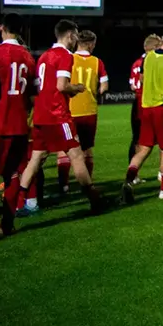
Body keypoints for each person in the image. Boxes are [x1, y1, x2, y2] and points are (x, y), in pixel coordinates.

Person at [15, 20, 104, 217]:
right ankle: (94, 199)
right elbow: (61, 85)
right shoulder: (65, 55)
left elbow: (41, 87)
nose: (76, 39)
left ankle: (18, 203)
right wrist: (77, 88)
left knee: (36, 158)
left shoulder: (44, 56)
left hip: (41, 115)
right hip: (58, 115)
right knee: (77, 156)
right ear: (70, 35)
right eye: (76, 35)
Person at [0, 13, 36, 240]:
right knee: (12, 173)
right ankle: (7, 224)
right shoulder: (28, 56)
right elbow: (33, 95)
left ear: (1, 27)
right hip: (20, 125)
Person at [123, 26, 163, 202]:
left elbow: (142, 79)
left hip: (146, 108)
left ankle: (128, 181)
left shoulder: (148, 57)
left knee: (143, 148)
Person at [59, 30, 108, 193]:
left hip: (69, 110)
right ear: (91, 44)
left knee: (64, 149)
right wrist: (94, 93)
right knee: (86, 149)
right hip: (89, 111)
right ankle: (87, 185)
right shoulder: (97, 62)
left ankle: (64, 185)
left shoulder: (69, 58)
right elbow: (104, 86)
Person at [128, 34, 161, 166]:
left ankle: (132, 171)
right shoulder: (153, 62)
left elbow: (132, 86)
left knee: (136, 138)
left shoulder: (136, 63)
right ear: (155, 47)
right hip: (149, 103)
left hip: (137, 102)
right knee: (161, 138)